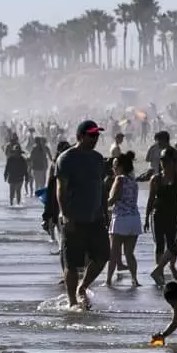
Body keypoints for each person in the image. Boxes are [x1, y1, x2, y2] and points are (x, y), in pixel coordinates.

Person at [56, 121, 110, 308]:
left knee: (103, 255)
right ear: (80, 136)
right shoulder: (66, 158)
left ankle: (83, 287)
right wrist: (65, 216)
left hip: (95, 217)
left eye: (97, 135)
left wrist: (105, 211)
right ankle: (72, 303)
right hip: (74, 218)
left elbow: (101, 187)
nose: (95, 138)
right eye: (91, 135)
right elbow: (60, 190)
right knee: (71, 263)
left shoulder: (97, 158)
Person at [145, 147, 177, 287]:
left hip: (173, 216)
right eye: (162, 161)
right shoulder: (156, 179)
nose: (164, 164)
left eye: (167, 161)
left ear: (173, 162)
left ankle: (171, 266)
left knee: (174, 244)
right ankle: (159, 271)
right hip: (158, 215)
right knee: (159, 244)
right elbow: (150, 199)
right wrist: (146, 217)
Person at [105, 151, 141, 288]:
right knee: (129, 253)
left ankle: (108, 280)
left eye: (114, 166)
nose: (112, 169)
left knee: (114, 253)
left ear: (120, 167)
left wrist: (102, 203)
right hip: (134, 219)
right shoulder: (133, 181)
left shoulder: (119, 179)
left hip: (120, 219)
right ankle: (135, 279)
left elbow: (113, 199)